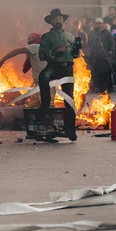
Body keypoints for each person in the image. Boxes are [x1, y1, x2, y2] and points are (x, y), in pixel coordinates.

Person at [39, 9, 80, 142]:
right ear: (51, 22)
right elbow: (42, 56)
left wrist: (76, 49)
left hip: (67, 69)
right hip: (53, 67)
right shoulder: (46, 37)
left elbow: (75, 55)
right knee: (44, 82)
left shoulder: (70, 36)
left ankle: (70, 131)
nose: (58, 21)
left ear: (63, 20)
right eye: (55, 19)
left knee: (69, 100)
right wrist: (55, 51)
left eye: (60, 19)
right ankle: (43, 127)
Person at [0, 33, 48, 107]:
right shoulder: (40, 50)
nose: (29, 46)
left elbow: (17, 51)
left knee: (49, 107)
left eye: (31, 42)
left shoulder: (35, 47)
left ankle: (57, 118)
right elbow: (25, 69)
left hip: (46, 85)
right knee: (30, 109)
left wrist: (2, 60)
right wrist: (28, 56)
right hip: (38, 86)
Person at [88, 18, 115, 93]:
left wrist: (111, 50)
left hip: (105, 56)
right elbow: (90, 43)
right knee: (96, 73)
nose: (98, 25)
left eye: (100, 23)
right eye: (97, 23)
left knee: (105, 72)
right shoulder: (92, 33)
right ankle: (98, 87)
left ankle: (104, 88)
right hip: (95, 57)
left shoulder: (106, 32)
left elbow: (112, 43)